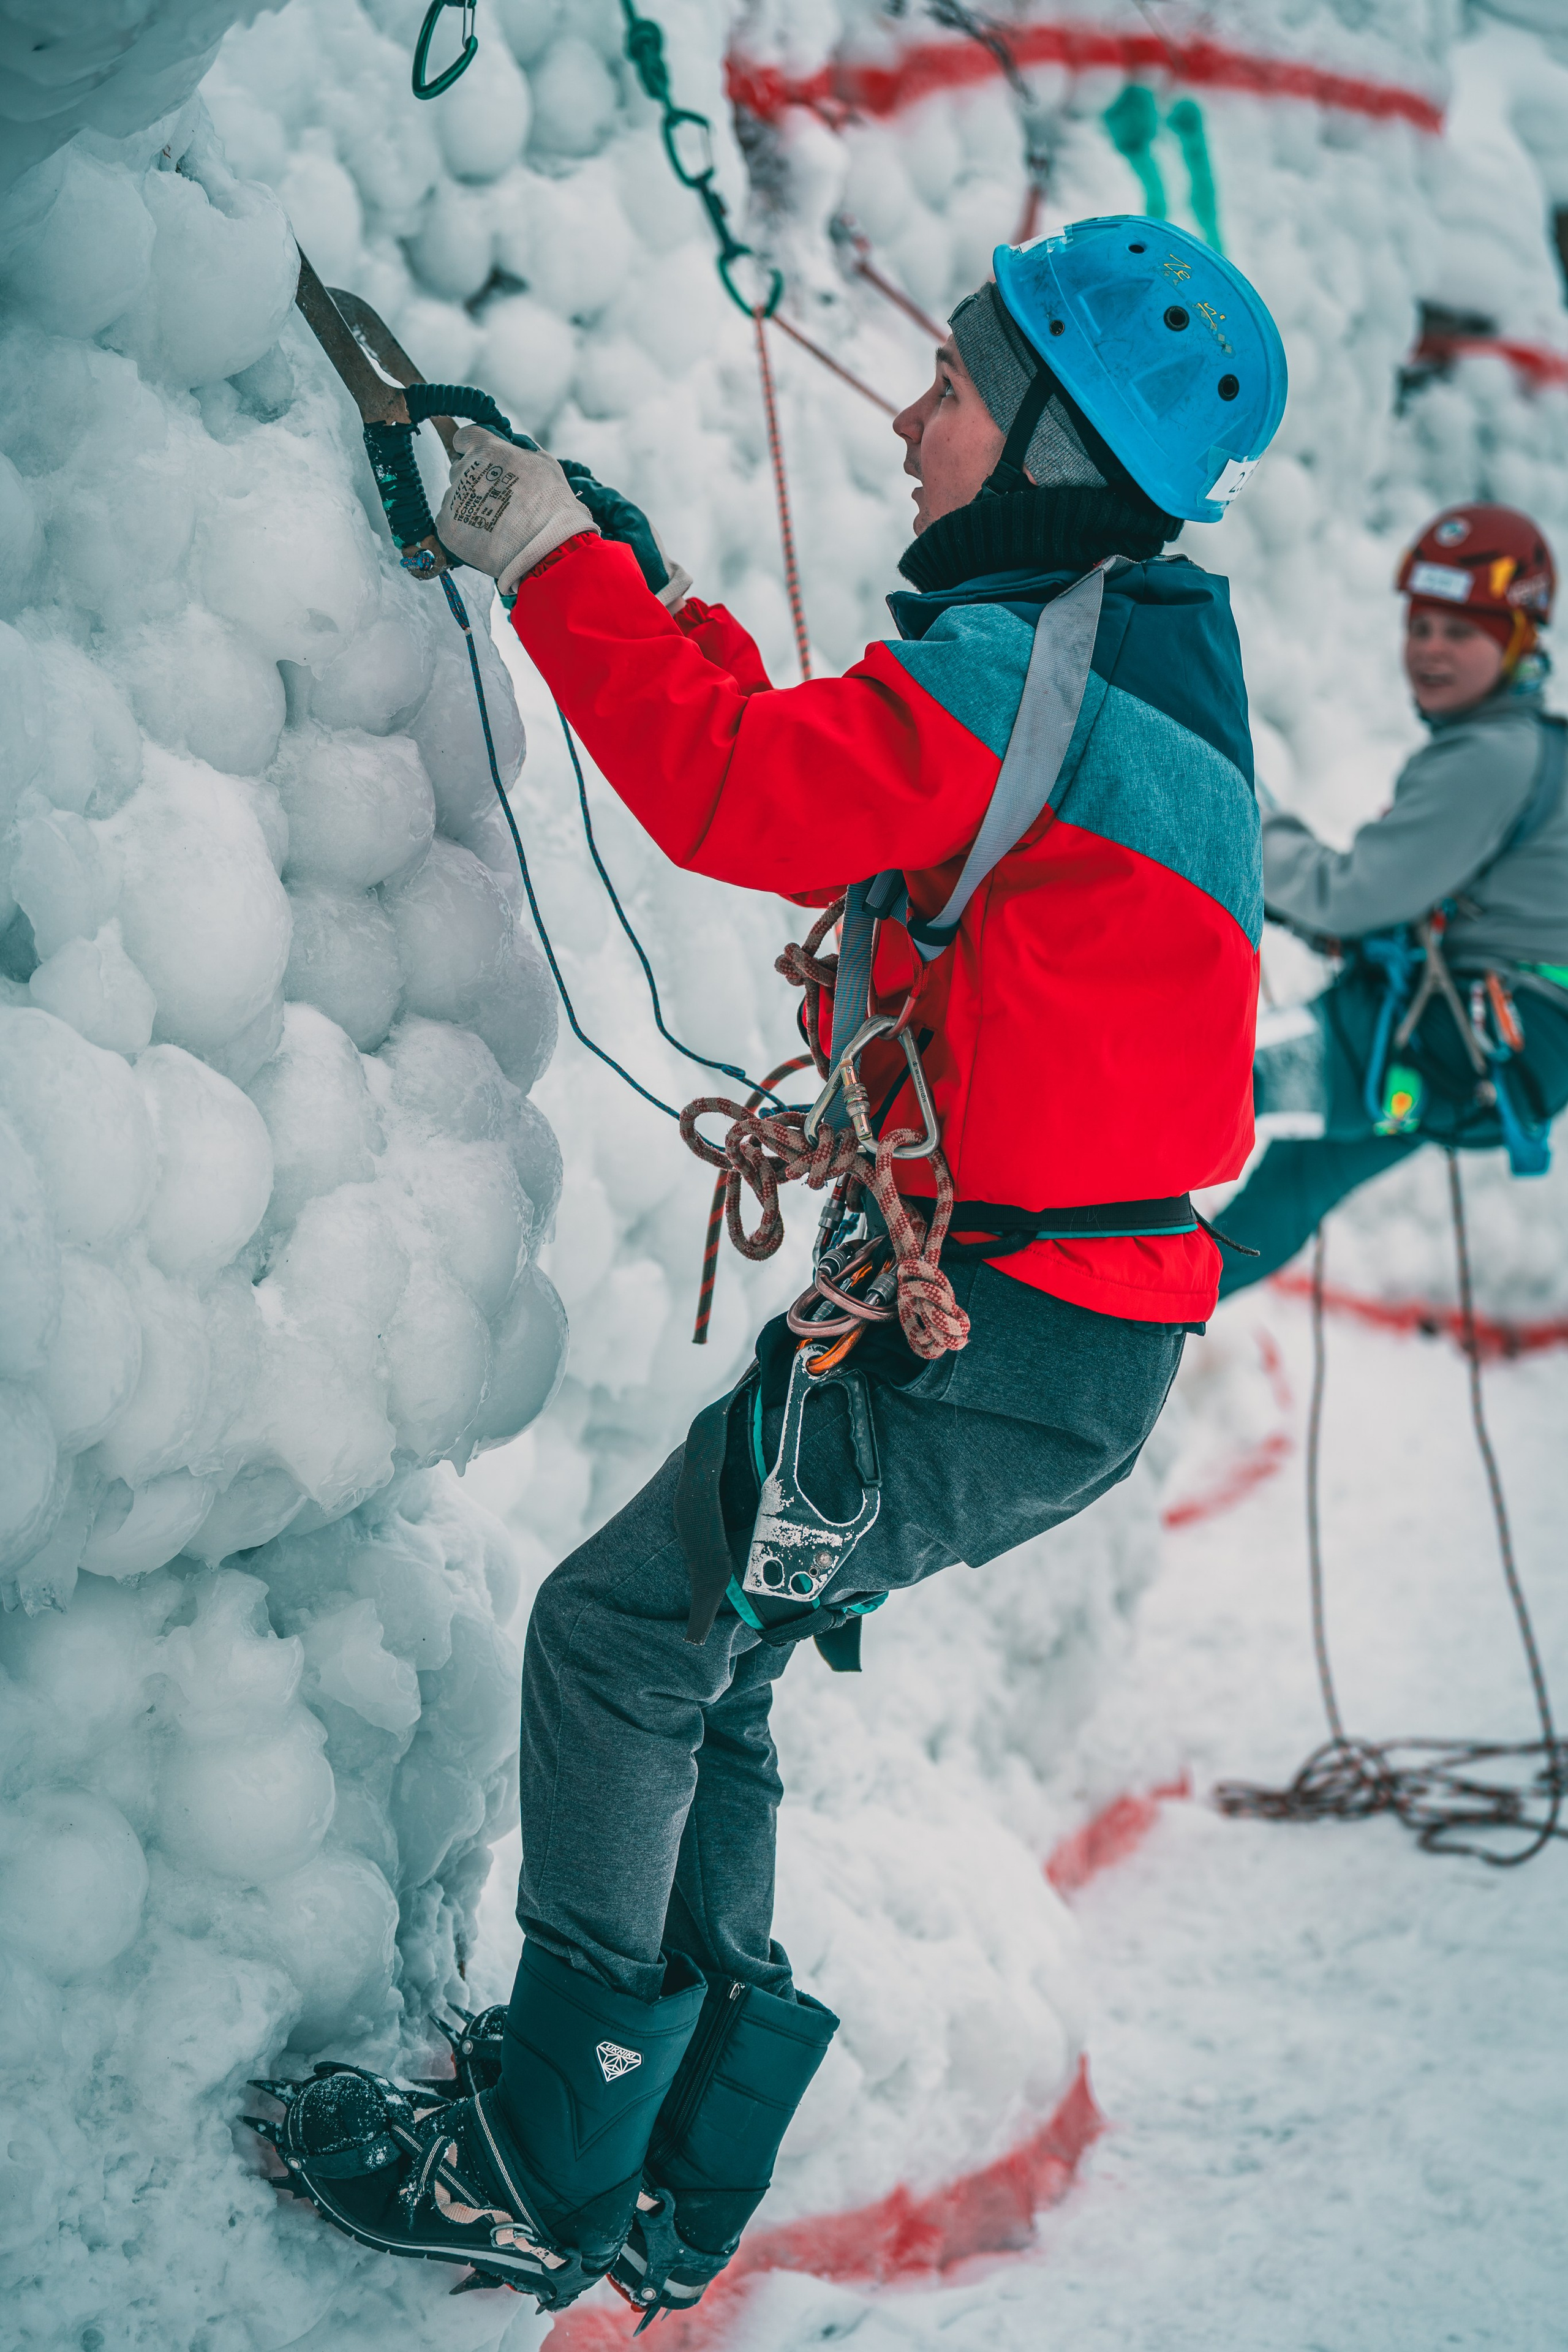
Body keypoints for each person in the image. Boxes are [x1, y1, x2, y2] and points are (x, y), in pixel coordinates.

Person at [255, 217, 1286, 2316]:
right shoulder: (1118, 647)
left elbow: (741, 789)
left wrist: (555, 565)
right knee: (692, 1667)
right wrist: (615, 567)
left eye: (959, 389)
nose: (912, 416)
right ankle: (660, 2175)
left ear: (1057, 447)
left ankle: (539, 2152)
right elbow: (861, 756)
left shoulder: (1029, 671)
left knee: (622, 1640)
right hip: (1028, 1332)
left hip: (995, 1343)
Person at [1217, 503, 1568, 1298]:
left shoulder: (1492, 757)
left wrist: (1231, 806)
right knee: (1299, 1179)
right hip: (1486, 1052)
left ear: (1516, 642)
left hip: (1450, 1036)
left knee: (1202, 1082)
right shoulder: (1534, 750)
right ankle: (1154, 1318)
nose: (1431, 651)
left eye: (1461, 632)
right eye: (1421, 628)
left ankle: (1095, 1317)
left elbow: (1344, 896)